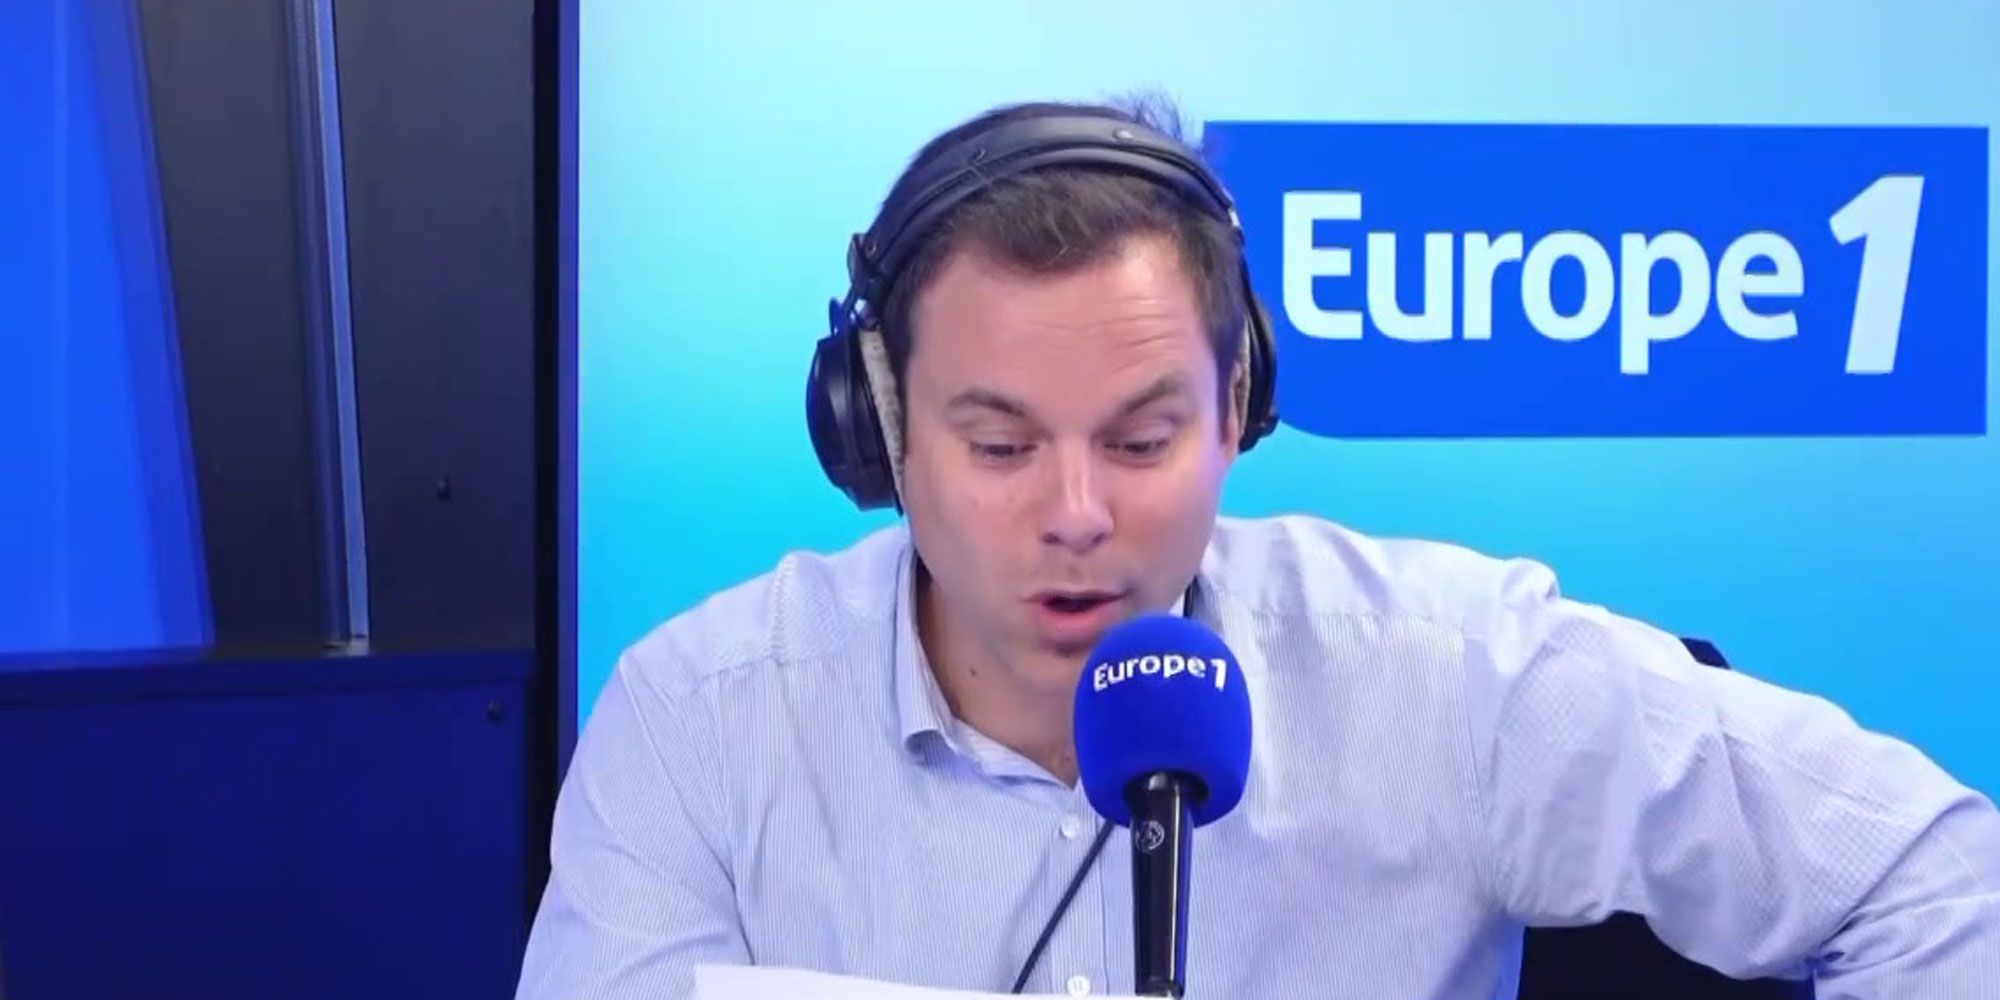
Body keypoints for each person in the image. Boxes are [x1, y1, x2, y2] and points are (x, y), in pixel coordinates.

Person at [515, 96, 2000, 999]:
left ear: (1240, 407)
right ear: (879, 430)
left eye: (1142, 439)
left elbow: (1941, 881)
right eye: (1001, 445)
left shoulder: (1448, 674)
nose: (1078, 512)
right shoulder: (704, 721)